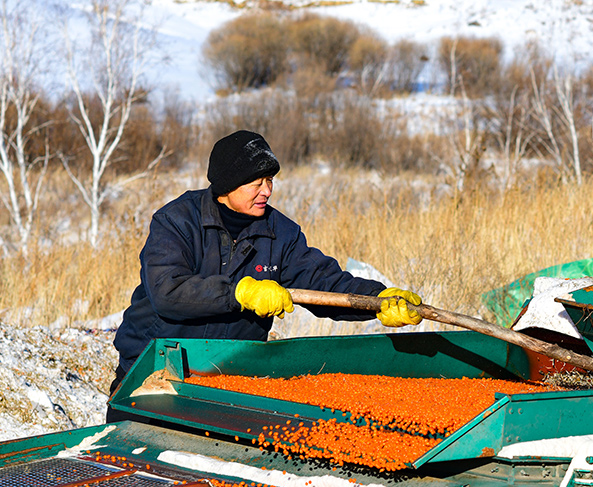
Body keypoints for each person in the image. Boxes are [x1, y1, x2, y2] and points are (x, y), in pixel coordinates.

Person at [108, 130, 422, 422]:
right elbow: (168, 291)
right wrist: (239, 293)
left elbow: (324, 282)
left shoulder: (279, 234)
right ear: (227, 184)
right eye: (255, 182)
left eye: (269, 180)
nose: (267, 191)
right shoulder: (177, 221)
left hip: (228, 381)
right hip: (154, 376)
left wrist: (377, 300)